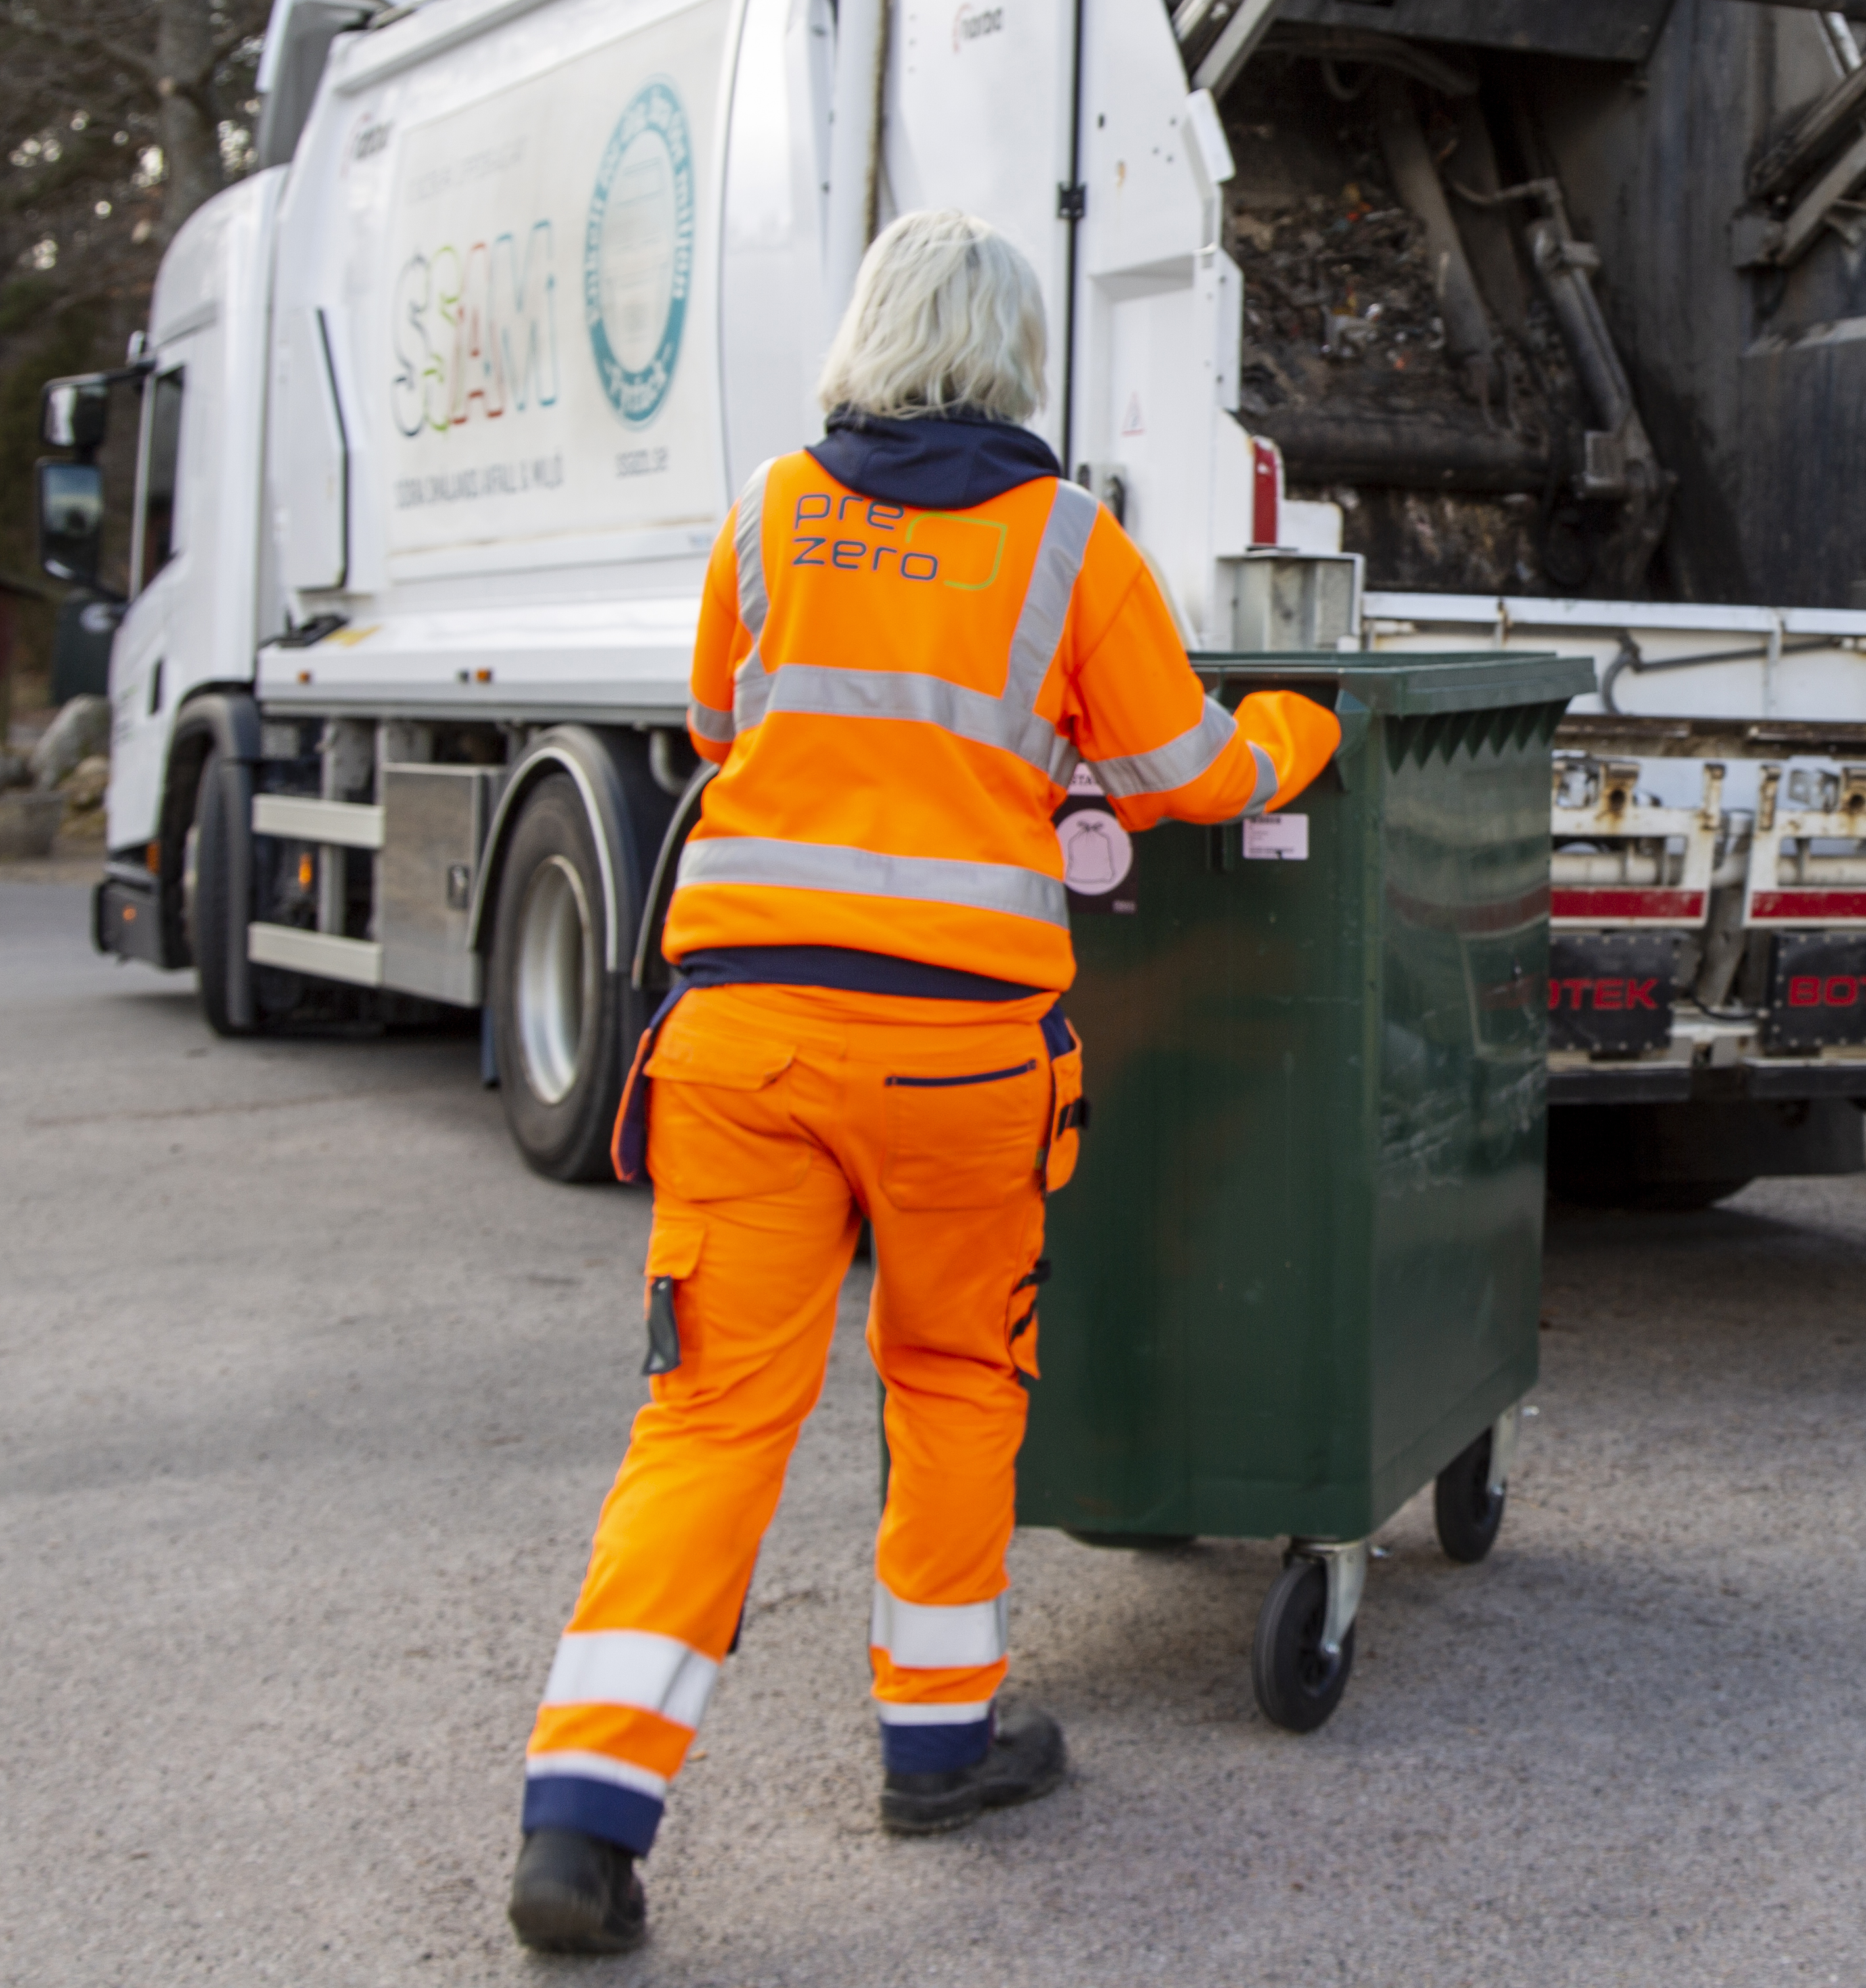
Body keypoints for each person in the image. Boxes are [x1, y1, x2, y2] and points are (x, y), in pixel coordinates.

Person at [508, 209, 1343, 1954]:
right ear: (1016, 352)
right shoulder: (1069, 544)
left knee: (713, 1415)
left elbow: (722, 726)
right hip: (964, 1059)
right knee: (956, 1379)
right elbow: (1185, 772)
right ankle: (938, 1749)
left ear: (870, 333)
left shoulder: (768, 516)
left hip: (748, 1045)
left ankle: (585, 1824)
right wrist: (1296, 738)